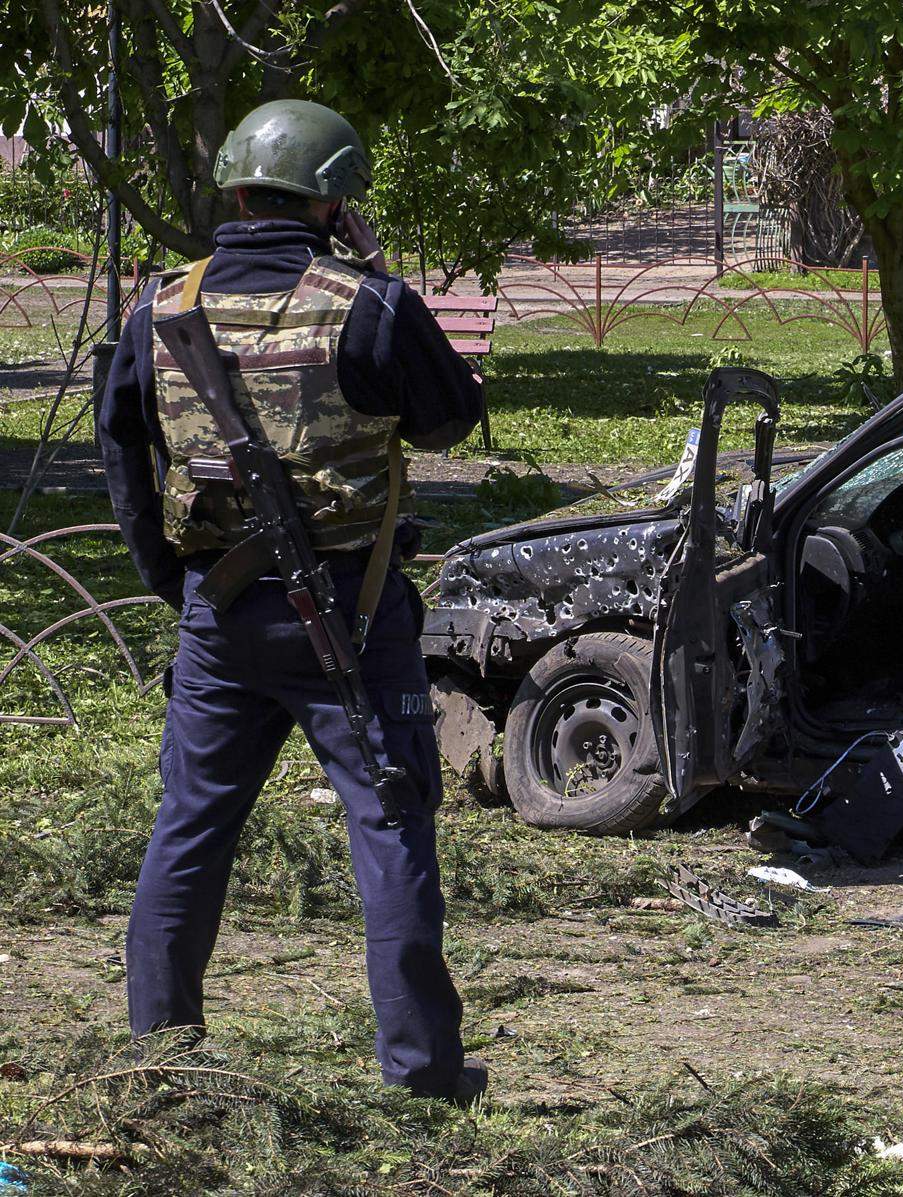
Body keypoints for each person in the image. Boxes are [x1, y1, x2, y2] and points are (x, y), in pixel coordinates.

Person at [96, 100, 486, 1102]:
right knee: (391, 827)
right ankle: (423, 1077)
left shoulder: (158, 306)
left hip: (219, 614)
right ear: (333, 200)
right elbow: (450, 420)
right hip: (350, 620)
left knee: (189, 828)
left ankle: (161, 1055)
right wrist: (381, 274)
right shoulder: (365, 303)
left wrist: (171, 581)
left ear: (232, 189)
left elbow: (125, 457)